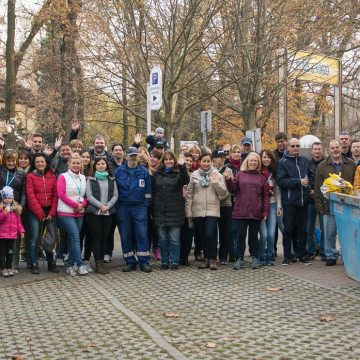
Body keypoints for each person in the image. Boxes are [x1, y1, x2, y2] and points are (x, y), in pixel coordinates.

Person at [225, 153, 270, 270]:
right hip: (241, 210)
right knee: (240, 235)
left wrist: (266, 212)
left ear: (258, 163)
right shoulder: (240, 175)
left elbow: (265, 197)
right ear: (247, 162)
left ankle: (255, 257)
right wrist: (228, 180)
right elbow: (232, 189)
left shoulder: (262, 178)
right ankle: (239, 258)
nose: (253, 163)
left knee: (253, 236)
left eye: (255, 161)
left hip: (256, 211)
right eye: (251, 161)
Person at [315, 140, 356, 266]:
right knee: (329, 232)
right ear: (329, 150)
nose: (335, 150)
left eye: (337, 147)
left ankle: (346, 256)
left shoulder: (351, 164)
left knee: (346, 233)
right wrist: (319, 206)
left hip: (347, 205)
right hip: (329, 205)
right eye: (332, 148)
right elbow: (317, 188)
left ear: (341, 148)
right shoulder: (322, 166)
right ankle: (331, 255)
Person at [185, 153, 227, 270]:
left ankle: (213, 258)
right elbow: (189, 195)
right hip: (198, 210)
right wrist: (188, 212)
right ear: (200, 162)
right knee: (203, 236)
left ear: (211, 162)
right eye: (204, 161)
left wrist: (215, 182)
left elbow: (223, 192)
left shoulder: (217, 175)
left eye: (208, 161)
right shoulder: (194, 175)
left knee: (210, 234)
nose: (206, 164)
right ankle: (206, 259)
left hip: (212, 210)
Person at [115, 147, 152, 273]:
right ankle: (130, 261)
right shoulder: (119, 171)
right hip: (123, 207)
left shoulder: (144, 172)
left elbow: (148, 191)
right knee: (125, 235)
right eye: (131, 156)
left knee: (142, 234)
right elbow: (115, 190)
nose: (133, 158)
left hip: (139, 207)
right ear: (126, 157)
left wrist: (145, 205)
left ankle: (144, 261)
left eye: (135, 155)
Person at [276, 138, 311, 266]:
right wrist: (298, 182)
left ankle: (302, 255)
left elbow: (310, 176)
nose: (296, 148)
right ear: (288, 147)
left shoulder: (305, 160)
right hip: (289, 201)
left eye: (298, 146)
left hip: (303, 200)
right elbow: (281, 181)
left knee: (303, 229)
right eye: (293, 146)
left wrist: (309, 188)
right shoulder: (282, 162)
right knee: (288, 229)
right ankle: (287, 256)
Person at [152, 151, 189, 270]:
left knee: (174, 239)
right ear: (163, 161)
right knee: (163, 239)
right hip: (160, 211)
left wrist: (182, 166)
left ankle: (174, 261)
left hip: (175, 212)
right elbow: (153, 191)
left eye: (171, 159)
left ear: (174, 160)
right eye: (166, 159)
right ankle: (164, 261)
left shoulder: (179, 173)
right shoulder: (157, 174)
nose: (168, 161)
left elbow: (185, 180)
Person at [26, 154, 59, 274]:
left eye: (42, 161)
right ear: (34, 164)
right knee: (34, 237)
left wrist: (51, 213)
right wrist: (40, 214)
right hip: (35, 212)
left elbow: (56, 195)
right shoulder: (30, 176)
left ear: (46, 163)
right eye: (37, 162)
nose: (40, 163)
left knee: (50, 237)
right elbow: (30, 196)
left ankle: (51, 263)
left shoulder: (52, 176)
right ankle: (34, 263)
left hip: (49, 211)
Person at [57, 153, 88, 276]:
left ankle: (70, 266)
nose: (76, 165)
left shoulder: (83, 178)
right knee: (75, 236)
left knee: (73, 238)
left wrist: (82, 205)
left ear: (81, 164)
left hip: (79, 212)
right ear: (69, 163)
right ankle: (80, 265)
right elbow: (61, 194)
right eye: (73, 163)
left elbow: (85, 196)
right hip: (65, 211)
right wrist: (75, 205)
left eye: (78, 163)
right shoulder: (63, 176)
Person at [86, 158, 118, 274]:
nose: (100, 165)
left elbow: (115, 195)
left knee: (105, 237)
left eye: (103, 164)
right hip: (94, 213)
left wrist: (108, 206)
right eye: (98, 164)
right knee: (97, 237)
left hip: (108, 213)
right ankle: (98, 263)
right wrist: (101, 206)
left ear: (106, 165)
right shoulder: (90, 180)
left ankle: (102, 263)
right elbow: (89, 196)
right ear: (95, 166)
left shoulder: (112, 180)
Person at [259, 149, 281, 266]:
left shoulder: (274, 173)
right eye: (264, 157)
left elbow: (277, 190)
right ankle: (261, 255)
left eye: (268, 157)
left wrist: (279, 206)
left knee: (272, 233)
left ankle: (269, 255)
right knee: (264, 234)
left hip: (272, 204)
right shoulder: (257, 172)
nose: (266, 159)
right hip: (260, 206)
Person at [212, 149, 232, 265]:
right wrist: (215, 200)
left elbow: (230, 187)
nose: (222, 159)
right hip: (213, 205)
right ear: (214, 158)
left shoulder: (228, 170)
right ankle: (213, 255)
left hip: (225, 205)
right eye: (219, 157)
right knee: (212, 231)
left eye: (224, 157)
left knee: (225, 232)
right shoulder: (210, 170)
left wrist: (220, 199)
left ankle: (224, 256)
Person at [0, 186, 25, 277]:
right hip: (2, 235)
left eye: (9, 198)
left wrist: (21, 231)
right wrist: (4, 213)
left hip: (12, 235)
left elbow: (18, 222)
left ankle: (9, 267)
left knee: (10, 252)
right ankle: (3, 268)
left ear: (12, 198)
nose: (7, 200)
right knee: (2, 252)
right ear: (3, 199)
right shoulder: (1, 209)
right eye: (5, 198)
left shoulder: (15, 210)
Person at [307, 142, 325, 261]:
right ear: (312, 151)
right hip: (310, 200)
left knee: (324, 228)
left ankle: (323, 250)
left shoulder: (327, 164)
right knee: (309, 227)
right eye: (315, 149)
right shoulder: (307, 164)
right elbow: (305, 179)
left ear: (322, 151)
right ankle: (311, 251)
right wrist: (310, 191)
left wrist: (318, 192)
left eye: (319, 149)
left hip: (323, 201)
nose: (317, 151)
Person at [224, 144, 243, 262]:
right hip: (230, 202)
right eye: (234, 152)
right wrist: (232, 197)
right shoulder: (227, 167)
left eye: (238, 152)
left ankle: (238, 252)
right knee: (231, 229)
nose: (236, 154)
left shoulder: (244, 167)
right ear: (230, 154)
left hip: (241, 202)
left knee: (239, 229)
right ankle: (231, 251)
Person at [15, 150, 31, 266]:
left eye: (26, 158)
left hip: (29, 207)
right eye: (21, 158)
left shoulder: (32, 171)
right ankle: (20, 254)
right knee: (17, 233)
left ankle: (31, 257)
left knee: (29, 232)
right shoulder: (14, 172)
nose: (23, 160)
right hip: (17, 206)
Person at [180, 153, 194, 266]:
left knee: (188, 234)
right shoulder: (177, 173)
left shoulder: (194, 175)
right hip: (178, 208)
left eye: (190, 161)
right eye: (186, 160)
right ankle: (177, 256)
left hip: (191, 208)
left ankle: (185, 257)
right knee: (178, 234)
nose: (188, 162)